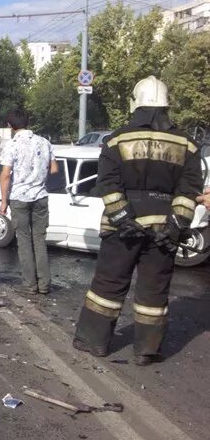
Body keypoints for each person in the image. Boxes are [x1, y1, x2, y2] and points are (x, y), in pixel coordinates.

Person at [73, 76, 203, 366]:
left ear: (136, 104)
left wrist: (123, 219)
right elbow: (189, 190)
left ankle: (94, 341)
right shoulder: (188, 145)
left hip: (123, 231)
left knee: (108, 285)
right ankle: (146, 350)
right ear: (166, 106)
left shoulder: (117, 140)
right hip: (164, 230)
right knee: (154, 290)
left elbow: (108, 184)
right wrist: (176, 225)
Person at [0, 110, 58, 295]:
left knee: (23, 241)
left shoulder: (12, 145)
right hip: (40, 196)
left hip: (19, 198)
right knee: (40, 240)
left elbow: (5, 175)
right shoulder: (44, 142)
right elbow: (54, 169)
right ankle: (44, 284)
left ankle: (30, 285)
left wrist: (3, 201)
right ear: (28, 122)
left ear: (10, 126)